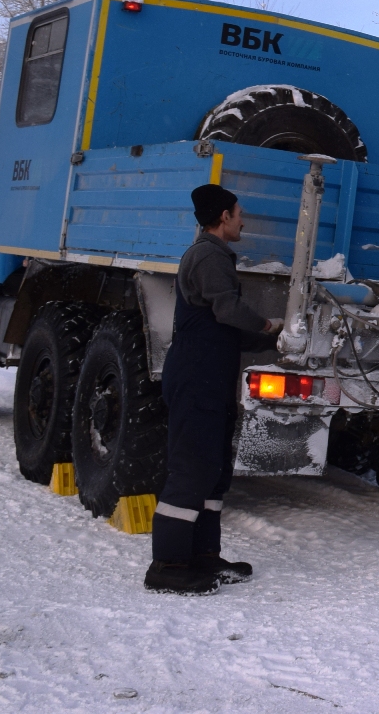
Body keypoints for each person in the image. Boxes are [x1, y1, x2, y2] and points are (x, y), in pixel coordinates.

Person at [145, 183, 283, 595]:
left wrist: (275, 343)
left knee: (214, 471)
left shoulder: (215, 255)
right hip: (195, 378)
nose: (243, 220)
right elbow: (228, 309)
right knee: (192, 469)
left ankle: (203, 556)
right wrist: (267, 325)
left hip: (212, 378)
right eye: (239, 213)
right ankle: (168, 565)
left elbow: (223, 330)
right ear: (223, 216)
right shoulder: (208, 255)